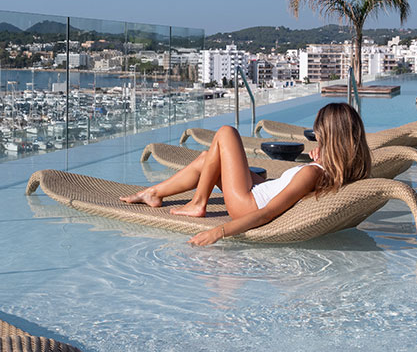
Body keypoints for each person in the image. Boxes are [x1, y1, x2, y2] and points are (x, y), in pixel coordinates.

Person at [119, 102, 371, 246]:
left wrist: (220, 231)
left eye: (319, 134)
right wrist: (323, 158)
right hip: (259, 192)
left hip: (248, 204)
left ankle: (198, 203)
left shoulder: (311, 174)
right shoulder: (336, 170)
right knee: (209, 158)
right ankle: (153, 193)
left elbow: (268, 212)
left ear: (329, 136)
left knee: (226, 132)